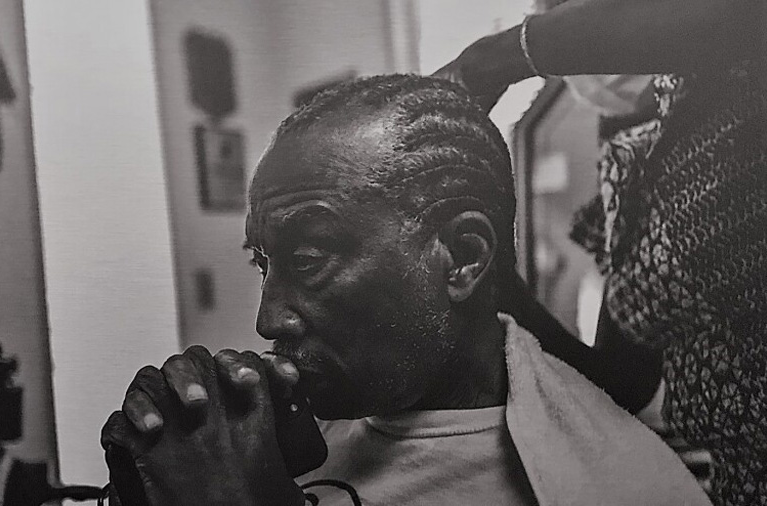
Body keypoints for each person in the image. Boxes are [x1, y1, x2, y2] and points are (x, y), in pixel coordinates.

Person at [100, 75, 710, 506]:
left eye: (308, 258)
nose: (267, 320)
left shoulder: (621, 488)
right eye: (265, 263)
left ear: (464, 257)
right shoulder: (308, 426)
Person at [433, 1, 766, 504]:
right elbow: (622, 383)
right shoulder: (640, 164)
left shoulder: (746, 93)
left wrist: (495, 57)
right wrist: (499, 283)